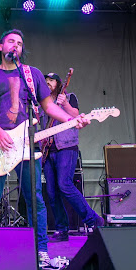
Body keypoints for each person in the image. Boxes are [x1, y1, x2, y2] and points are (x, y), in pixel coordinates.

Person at [0, 29, 89, 268]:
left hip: (27, 145)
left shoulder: (32, 74)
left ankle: (41, 252)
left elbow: (48, 107)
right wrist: (0, 132)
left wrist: (71, 120)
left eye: (20, 43)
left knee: (35, 198)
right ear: (1, 47)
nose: (16, 46)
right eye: (11, 41)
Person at [41, 73, 103, 242]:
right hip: (47, 151)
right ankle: (62, 230)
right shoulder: (42, 103)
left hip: (66, 147)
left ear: (59, 83)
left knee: (65, 185)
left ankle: (94, 220)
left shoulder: (69, 97)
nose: (48, 83)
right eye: (46, 81)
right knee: (52, 193)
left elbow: (75, 115)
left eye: (51, 81)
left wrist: (65, 103)